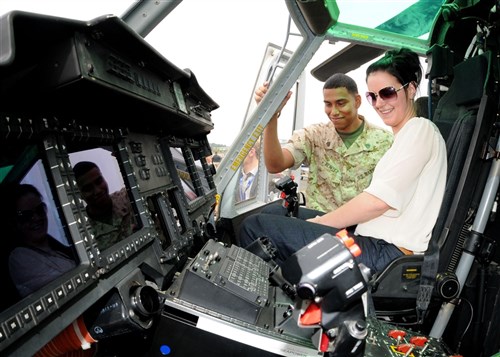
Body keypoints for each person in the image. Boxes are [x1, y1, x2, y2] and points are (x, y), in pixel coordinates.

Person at [239, 48, 447, 274]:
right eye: (373, 96)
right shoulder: (403, 137)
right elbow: (276, 163)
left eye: (387, 93)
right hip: (373, 240)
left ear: (411, 89)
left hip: (388, 254)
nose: (379, 103)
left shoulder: (419, 129)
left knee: (255, 227)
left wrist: (321, 223)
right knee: (273, 214)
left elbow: (378, 201)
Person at [256, 73, 393, 214]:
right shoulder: (314, 135)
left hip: (362, 227)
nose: (333, 111)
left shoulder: (385, 141)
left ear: (357, 101)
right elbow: (275, 165)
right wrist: (271, 116)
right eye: (328, 104)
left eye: (341, 103)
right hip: (319, 224)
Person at [6, 183, 77, 298]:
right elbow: (65, 285)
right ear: (14, 223)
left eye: (39, 210)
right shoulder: (19, 257)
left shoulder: (55, 247)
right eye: (26, 215)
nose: (36, 218)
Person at [73, 161, 137, 251]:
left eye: (99, 181)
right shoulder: (83, 233)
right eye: (88, 188)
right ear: (80, 195)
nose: (97, 190)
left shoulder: (127, 198)